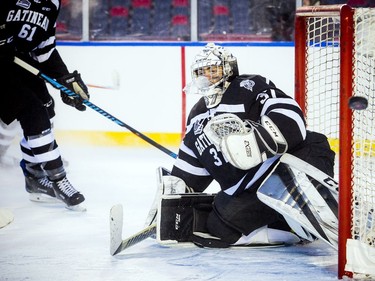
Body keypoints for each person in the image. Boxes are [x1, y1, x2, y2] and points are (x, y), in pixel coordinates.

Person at [154, 43, 336, 247]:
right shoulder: (197, 115)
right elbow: (189, 173)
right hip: (251, 187)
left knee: (303, 160)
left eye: (213, 70)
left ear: (229, 68)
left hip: (289, 163)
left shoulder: (249, 86)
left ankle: (326, 208)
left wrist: (258, 143)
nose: (207, 76)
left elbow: (291, 116)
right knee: (218, 226)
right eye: (201, 72)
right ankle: (293, 228)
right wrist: (170, 198)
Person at [0, 1, 90, 210]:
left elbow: (44, 50)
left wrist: (65, 79)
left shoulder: (52, 4)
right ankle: (58, 180)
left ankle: (36, 178)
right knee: (33, 111)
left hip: (18, 63)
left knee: (46, 108)